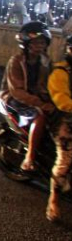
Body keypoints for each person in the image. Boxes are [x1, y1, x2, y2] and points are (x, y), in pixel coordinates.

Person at [0, 22, 55, 172]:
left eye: (42, 42)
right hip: (13, 97)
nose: (40, 45)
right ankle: (29, 157)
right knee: (40, 116)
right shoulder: (16, 61)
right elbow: (17, 91)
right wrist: (42, 105)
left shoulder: (46, 61)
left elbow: (52, 83)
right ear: (26, 43)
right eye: (36, 42)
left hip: (37, 96)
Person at [45, 35, 72, 221]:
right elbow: (62, 102)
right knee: (66, 159)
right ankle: (53, 200)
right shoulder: (60, 72)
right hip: (64, 120)